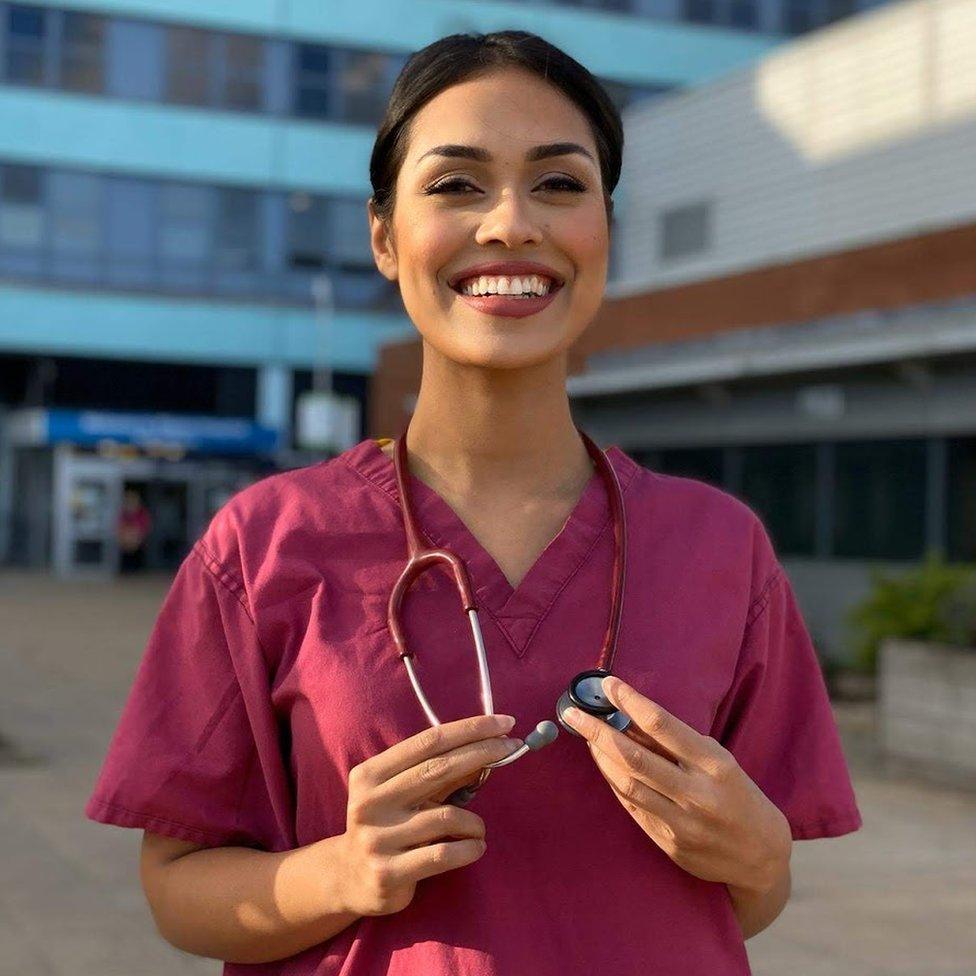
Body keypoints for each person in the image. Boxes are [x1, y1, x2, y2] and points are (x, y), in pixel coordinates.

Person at [84, 31, 862, 975]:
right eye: (456, 185)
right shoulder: (263, 545)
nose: (509, 225)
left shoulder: (720, 547)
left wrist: (762, 856)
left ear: (604, 231)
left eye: (559, 185)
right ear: (383, 236)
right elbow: (177, 890)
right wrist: (341, 872)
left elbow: (750, 899)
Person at [117, 488, 152, 573]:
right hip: (125, 544)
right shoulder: (123, 514)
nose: (131, 503)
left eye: (133, 500)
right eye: (129, 501)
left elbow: (145, 527)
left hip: (138, 543)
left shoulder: (142, 513)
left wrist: (136, 536)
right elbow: (119, 527)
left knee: (137, 564)